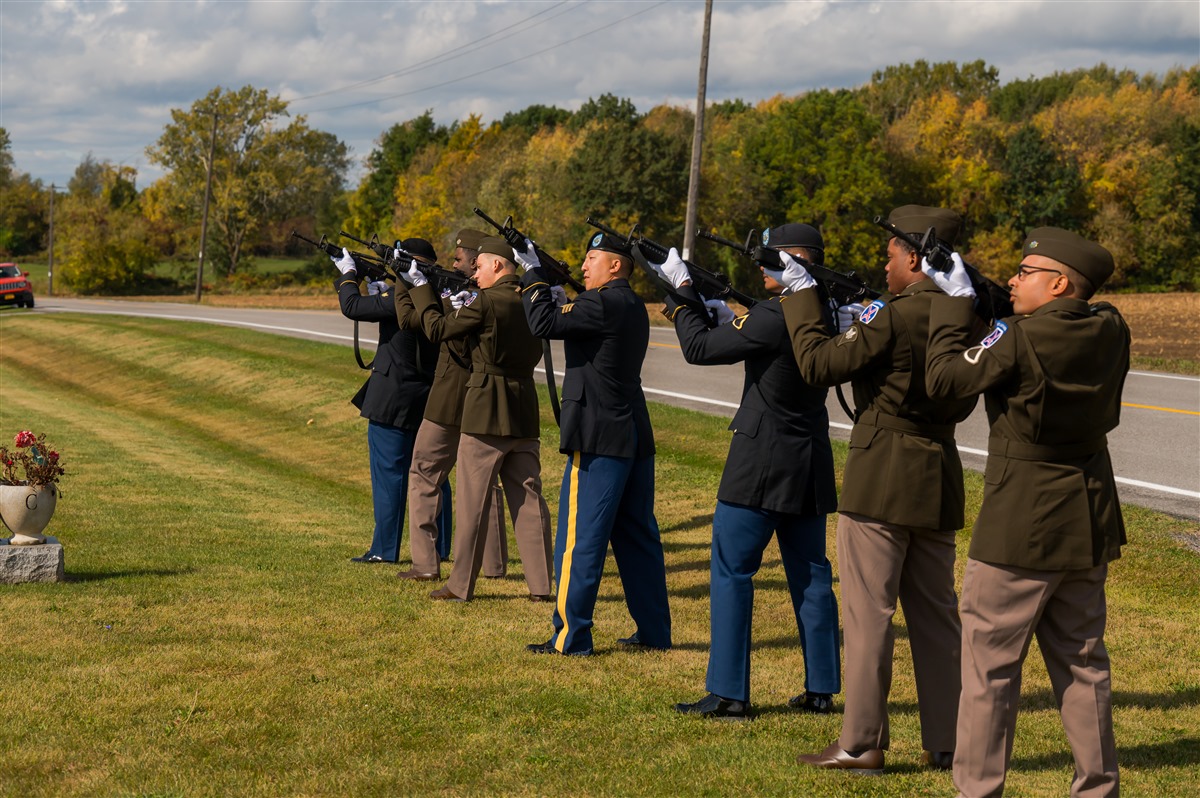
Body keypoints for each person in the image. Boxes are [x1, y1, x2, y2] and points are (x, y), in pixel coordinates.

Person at [924, 228, 1126, 797]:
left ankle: (978, 789)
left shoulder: (1018, 340)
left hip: (1020, 522)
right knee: (1083, 663)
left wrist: (956, 305)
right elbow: (1091, 309)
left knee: (989, 669)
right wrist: (993, 306)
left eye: (1026, 271)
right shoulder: (1111, 327)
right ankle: (1097, 788)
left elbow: (943, 381)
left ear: (1058, 282)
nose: (1014, 280)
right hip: (1087, 515)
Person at [778, 206, 978, 773]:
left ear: (914, 258)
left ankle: (862, 742)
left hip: (882, 472)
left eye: (890, 254)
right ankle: (949, 741)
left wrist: (801, 296)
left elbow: (818, 365)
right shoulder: (962, 311)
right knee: (938, 617)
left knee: (869, 615)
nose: (883, 264)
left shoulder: (894, 315)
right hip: (937, 470)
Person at [653, 224, 840, 719]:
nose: (761, 265)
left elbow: (698, 349)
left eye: (771, 257)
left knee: (732, 570)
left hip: (761, 460)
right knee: (811, 574)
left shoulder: (777, 313)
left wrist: (681, 293)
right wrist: (723, 314)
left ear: (796, 261)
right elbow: (743, 335)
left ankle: (729, 691)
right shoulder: (823, 309)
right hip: (808, 457)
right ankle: (822, 687)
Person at [519, 232, 671, 657]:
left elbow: (542, 323)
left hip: (600, 434)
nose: (584, 267)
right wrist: (550, 285)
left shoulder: (601, 302)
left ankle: (570, 636)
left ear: (616, 265)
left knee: (579, 539)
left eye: (592, 259)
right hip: (630, 431)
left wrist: (531, 273)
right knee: (638, 536)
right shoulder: (628, 303)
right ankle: (655, 630)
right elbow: (568, 316)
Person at [404, 236, 553, 602]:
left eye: (481, 267)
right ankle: (542, 586)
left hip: (486, 410)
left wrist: (422, 288)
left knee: (472, 503)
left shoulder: (486, 301)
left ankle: (460, 585)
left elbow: (438, 331)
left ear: (498, 265)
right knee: (529, 500)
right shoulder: (534, 299)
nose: (476, 275)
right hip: (523, 409)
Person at [392, 229, 508, 582]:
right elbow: (410, 319)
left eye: (459, 259)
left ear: (477, 262)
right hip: (481, 398)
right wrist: (407, 280)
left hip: (451, 397)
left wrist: (414, 284)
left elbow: (431, 328)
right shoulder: (490, 296)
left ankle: (426, 564)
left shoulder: (470, 298)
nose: (454, 263)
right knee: (484, 482)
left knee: (424, 471)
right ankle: (495, 564)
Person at [331, 240, 441, 564]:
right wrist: (378, 279)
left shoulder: (401, 296)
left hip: (393, 396)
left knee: (389, 475)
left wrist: (349, 274)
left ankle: (384, 549)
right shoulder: (436, 294)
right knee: (431, 475)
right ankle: (440, 545)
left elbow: (352, 306)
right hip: (426, 394)